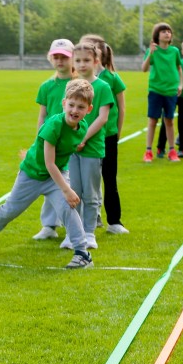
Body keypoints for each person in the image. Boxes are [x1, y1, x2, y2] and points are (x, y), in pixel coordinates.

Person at [0, 79, 95, 268]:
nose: (75, 110)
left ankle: (82, 253)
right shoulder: (53, 125)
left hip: (55, 175)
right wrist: (66, 189)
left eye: (80, 107)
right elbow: (49, 163)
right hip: (32, 174)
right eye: (71, 105)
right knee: (10, 210)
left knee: (67, 208)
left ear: (88, 109)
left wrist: (63, 190)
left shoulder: (82, 128)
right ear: (64, 103)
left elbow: (61, 157)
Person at [60, 43, 114, 249]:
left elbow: (102, 118)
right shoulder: (71, 85)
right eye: (78, 60)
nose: (82, 64)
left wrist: (83, 139)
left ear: (96, 62)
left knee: (90, 193)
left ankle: (89, 232)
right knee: (73, 192)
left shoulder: (103, 87)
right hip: (71, 149)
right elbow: (64, 114)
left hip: (91, 148)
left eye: (86, 60)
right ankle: (73, 233)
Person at [79, 34, 129, 234]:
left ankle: (114, 221)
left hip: (107, 135)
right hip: (84, 136)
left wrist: (117, 132)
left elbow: (121, 107)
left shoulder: (111, 78)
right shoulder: (79, 79)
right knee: (84, 180)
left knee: (109, 177)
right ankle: (88, 219)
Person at [32, 39, 75, 241]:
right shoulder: (47, 86)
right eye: (56, 57)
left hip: (72, 141)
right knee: (51, 181)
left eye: (64, 57)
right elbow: (43, 114)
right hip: (51, 141)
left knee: (74, 182)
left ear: (72, 58)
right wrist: (39, 138)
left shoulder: (77, 84)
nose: (60, 61)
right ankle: (49, 225)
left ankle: (79, 225)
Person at [142, 22, 183, 162]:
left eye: (169, 31)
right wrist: (150, 53)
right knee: (153, 120)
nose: (167, 33)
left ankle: (172, 151)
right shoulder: (153, 50)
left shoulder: (175, 51)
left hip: (171, 91)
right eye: (164, 31)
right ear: (157, 35)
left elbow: (179, 68)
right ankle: (148, 151)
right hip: (156, 89)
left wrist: (181, 84)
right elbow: (144, 68)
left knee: (169, 121)